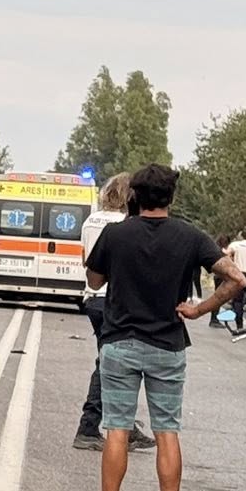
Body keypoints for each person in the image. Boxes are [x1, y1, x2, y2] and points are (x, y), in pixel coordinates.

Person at [75, 164, 245, 491]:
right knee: (167, 431)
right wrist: (199, 310)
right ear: (171, 197)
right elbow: (237, 278)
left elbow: (94, 280)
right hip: (168, 345)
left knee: (117, 427)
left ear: (134, 195)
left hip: (120, 342)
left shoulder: (115, 234)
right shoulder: (190, 236)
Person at [71, 175, 152, 453]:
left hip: (92, 298)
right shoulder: (122, 225)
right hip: (114, 300)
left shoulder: (90, 221)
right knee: (111, 365)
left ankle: (125, 428)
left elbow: (87, 261)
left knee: (112, 363)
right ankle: (89, 426)